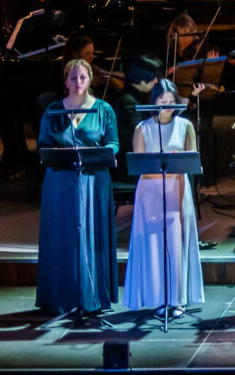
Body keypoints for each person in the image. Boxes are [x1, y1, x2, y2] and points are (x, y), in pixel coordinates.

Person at [36, 58, 118, 321]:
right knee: (62, 235)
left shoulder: (104, 110)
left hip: (94, 181)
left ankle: (91, 296)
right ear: (65, 81)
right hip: (60, 182)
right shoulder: (52, 111)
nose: (78, 82)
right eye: (73, 78)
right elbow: (43, 145)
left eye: (82, 77)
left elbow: (114, 143)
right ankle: (61, 297)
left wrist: (103, 154)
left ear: (90, 79)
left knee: (91, 236)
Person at [123, 79, 203, 317]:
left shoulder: (185, 125)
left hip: (177, 188)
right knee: (153, 244)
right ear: (154, 102)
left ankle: (177, 299)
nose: (168, 105)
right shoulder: (142, 128)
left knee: (176, 243)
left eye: (171, 101)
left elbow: (192, 160)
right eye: (162, 101)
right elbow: (138, 163)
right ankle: (158, 298)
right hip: (150, 190)